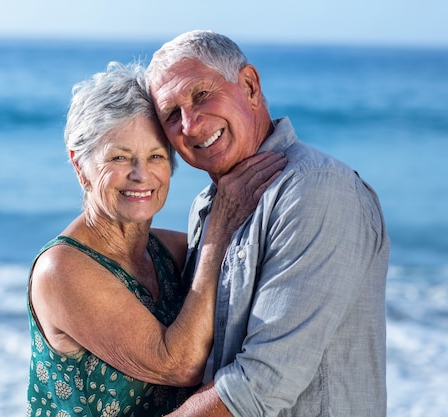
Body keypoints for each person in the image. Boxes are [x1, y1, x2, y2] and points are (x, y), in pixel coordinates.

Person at [144, 30, 391, 417]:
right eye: (172, 115)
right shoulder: (209, 206)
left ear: (249, 85)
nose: (190, 125)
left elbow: (262, 384)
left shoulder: (315, 189)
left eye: (201, 95)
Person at [26, 61, 286, 417]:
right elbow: (178, 364)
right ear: (79, 166)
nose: (140, 175)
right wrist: (220, 224)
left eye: (156, 156)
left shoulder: (171, 251)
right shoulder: (61, 270)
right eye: (119, 157)